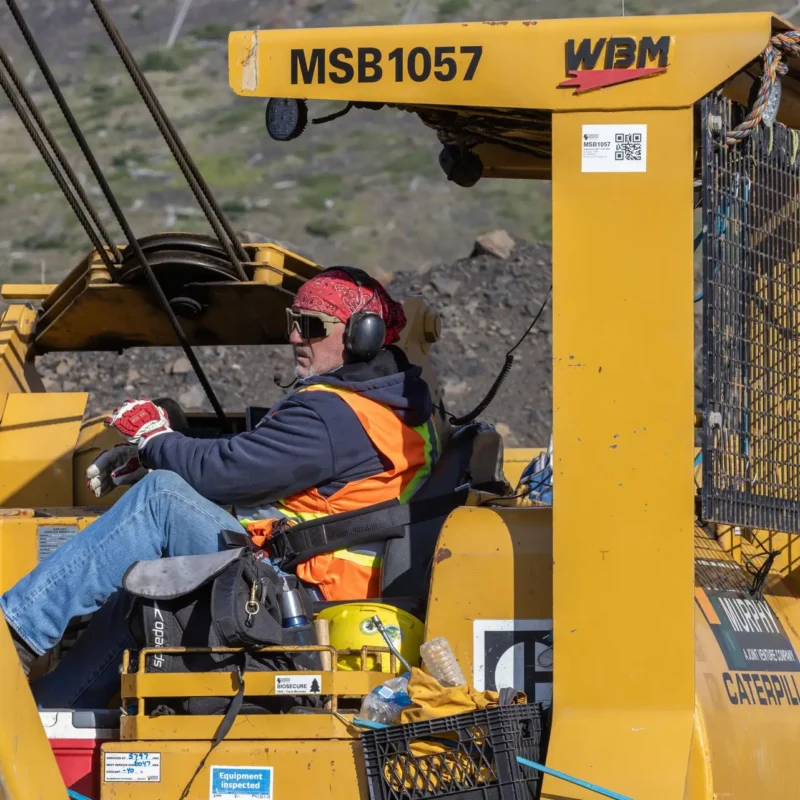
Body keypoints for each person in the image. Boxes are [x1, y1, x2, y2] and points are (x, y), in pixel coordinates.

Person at [0, 267, 438, 708]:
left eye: (310, 326)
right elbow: (260, 459)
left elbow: (225, 472)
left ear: (361, 336)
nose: (293, 337)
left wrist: (154, 439)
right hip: (311, 581)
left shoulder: (333, 414)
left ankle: (12, 633)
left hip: (300, 595)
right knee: (140, 590)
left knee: (162, 502)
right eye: (292, 320)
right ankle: (47, 715)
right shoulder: (388, 401)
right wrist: (156, 455)